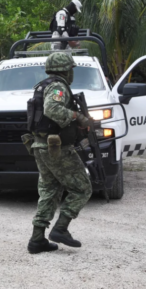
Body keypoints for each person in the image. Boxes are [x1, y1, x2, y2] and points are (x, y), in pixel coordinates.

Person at [25, 52, 92, 254]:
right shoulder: (58, 86)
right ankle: (60, 229)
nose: (72, 73)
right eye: (71, 69)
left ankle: (37, 240)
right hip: (57, 148)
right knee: (82, 188)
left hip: (41, 146)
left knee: (49, 190)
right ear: (64, 69)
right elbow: (52, 109)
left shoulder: (43, 85)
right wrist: (77, 116)